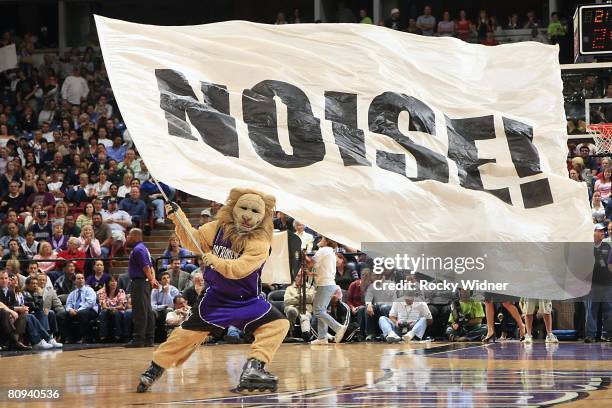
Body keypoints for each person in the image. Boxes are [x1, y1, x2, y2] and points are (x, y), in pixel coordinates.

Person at [136, 188, 288, 393]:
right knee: (185, 336)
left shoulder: (260, 242)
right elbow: (194, 241)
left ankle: (254, 367)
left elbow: (240, 270)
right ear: (233, 207)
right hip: (215, 298)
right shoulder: (218, 227)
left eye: (254, 211)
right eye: (243, 208)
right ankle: (154, 369)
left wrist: (215, 260)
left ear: (263, 217)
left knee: (278, 324)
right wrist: (178, 217)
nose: (246, 215)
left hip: (247, 301)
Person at [305, 236, 347, 345]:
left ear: (326, 241)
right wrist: (311, 273)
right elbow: (322, 269)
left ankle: (338, 328)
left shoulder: (323, 250)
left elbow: (310, 264)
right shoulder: (330, 252)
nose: (320, 240)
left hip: (325, 285)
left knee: (318, 311)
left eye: (322, 239)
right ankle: (322, 337)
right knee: (321, 311)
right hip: (328, 284)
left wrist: (303, 255)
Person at [125, 228, 158, 348]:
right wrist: (152, 279)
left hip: (140, 283)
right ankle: (149, 339)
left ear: (135, 236)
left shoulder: (138, 249)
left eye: (129, 235)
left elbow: (145, 267)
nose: (127, 237)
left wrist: (151, 279)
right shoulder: (143, 248)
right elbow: (150, 266)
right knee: (147, 311)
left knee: (140, 312)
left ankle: (138, 339)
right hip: (144, 283)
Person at [584, 223, 612, 343]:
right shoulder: (587, 248)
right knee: (591, 310)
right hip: (592, 285)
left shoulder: (607, 246)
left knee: (608, 310)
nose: (603, 233)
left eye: (603, 231)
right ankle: (590, 335)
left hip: (607, 284)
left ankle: (608, 334)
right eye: (600, 231)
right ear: (593, 232)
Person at [63, 272, 98, 343]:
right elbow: (68, 304)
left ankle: (84, 337)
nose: (81, 280)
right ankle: (68, 337)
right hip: (76, 311)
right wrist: (70, 310)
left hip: (91, 310)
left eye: (82, 278)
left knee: (82, 313)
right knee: (64, 314)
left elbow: (90, 303)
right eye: (78, 278)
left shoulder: (89, 290)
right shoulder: (72, 293)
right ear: (75, 281)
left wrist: (77, 310)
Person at [0, 270, 30, 350]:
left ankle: (15, 340)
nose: (4, 280)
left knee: (23, 315)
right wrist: (12, 311)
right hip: (2, 315)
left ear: (8, 279)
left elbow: (14, 305)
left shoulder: (10, 291)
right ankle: (13, 342)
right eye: (1, 278)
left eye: (6, 278)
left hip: (9, 316)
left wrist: (22, 308)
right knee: (4, 312)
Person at [283, 269, 315, 339]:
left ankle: (306, 334)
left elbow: (311, 298)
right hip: (293, 308)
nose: (300, 278)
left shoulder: (310, 287)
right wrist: (303, 298)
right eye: (298, 276)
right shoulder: (289, 288)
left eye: (302, 276)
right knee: (291, 310)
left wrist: (296, 296)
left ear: (305, 277)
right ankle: (291, 333)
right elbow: (287, 301)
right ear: (295, 277)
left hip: (306, 309)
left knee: (304, 315)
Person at [98, 275, 129, 342]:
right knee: (103, 312)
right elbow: (103, 306)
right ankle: (103, 336)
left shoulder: (121, 291)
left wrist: (114, 308)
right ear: (107, 283)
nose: (114, 283)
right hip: (107, 310)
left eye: (115, 281)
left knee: (117, 313)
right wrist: (111, 309)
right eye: (112, 281)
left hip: (119, 310)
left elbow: (121, 305)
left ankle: (118, 335)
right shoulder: (102, 291)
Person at [151, 271, 179, 342]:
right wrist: (163, 306)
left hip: (170, 311)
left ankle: (165, 336)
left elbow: (171, 306)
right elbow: (152, 305)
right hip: (157, 311)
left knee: (168, 310)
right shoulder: (155, 290)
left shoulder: (174, 290)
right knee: (151, 312)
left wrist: (167, 293)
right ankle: (151, 336)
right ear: (160, 281)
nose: (167, 280)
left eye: (168, 278)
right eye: (164, 278)